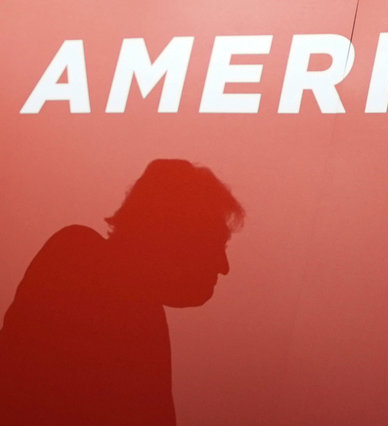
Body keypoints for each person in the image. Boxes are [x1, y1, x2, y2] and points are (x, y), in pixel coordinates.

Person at [0, 159, 244, 425]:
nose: (223, 266)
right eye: (214, 244)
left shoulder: (140, 310)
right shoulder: (78, 261)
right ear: (174, 236)